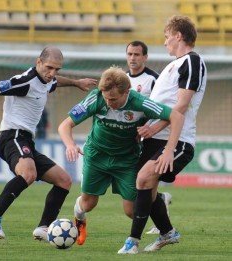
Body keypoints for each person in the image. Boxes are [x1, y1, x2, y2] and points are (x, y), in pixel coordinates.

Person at [0, 46, 97, 240]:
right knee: (28, 174)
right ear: (38, 62)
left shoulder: (46, 81)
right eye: (49, 67)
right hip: (12, 136)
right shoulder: (25, 81)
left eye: (57, 69)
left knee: (64, 180)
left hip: (26, 140)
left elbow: (55, 82)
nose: (52, 73)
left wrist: (76, 83)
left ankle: (44, 227)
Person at [58, 66, 185, 246]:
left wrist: (167, 147)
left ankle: (157, 199)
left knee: (132, 211)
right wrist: (70, 144)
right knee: (88, 204)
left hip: (127, 160)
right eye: (106, 98)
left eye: (114, 99)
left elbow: (176, 116)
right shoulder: (96, 97)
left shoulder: (140, 102)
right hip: (96, 156)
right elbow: (64, 125)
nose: (109, 103)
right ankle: (80, 219)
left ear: (127, 92)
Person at [118, 15, 207, 254]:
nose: (165, 42)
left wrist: (155, 128)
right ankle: (168, 233)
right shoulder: (173, 64)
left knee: (144, 179)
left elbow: (182, 105)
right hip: (154, 139)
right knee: (146, 189)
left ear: (178, 36)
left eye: (168, 37)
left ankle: (132, 242)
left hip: (176, 139)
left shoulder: (192, 62)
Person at [126, 40, 172, 235]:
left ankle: (163, 228)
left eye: (137, 54)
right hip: (134, 137)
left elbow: (159, 108)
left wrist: (148, 128)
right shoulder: (123, 79)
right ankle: (160, 200)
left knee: (141, 184)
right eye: (129, 54)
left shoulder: (154, 79)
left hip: (154, 136)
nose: (133, 58)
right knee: (136, 193)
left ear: (145, 57)